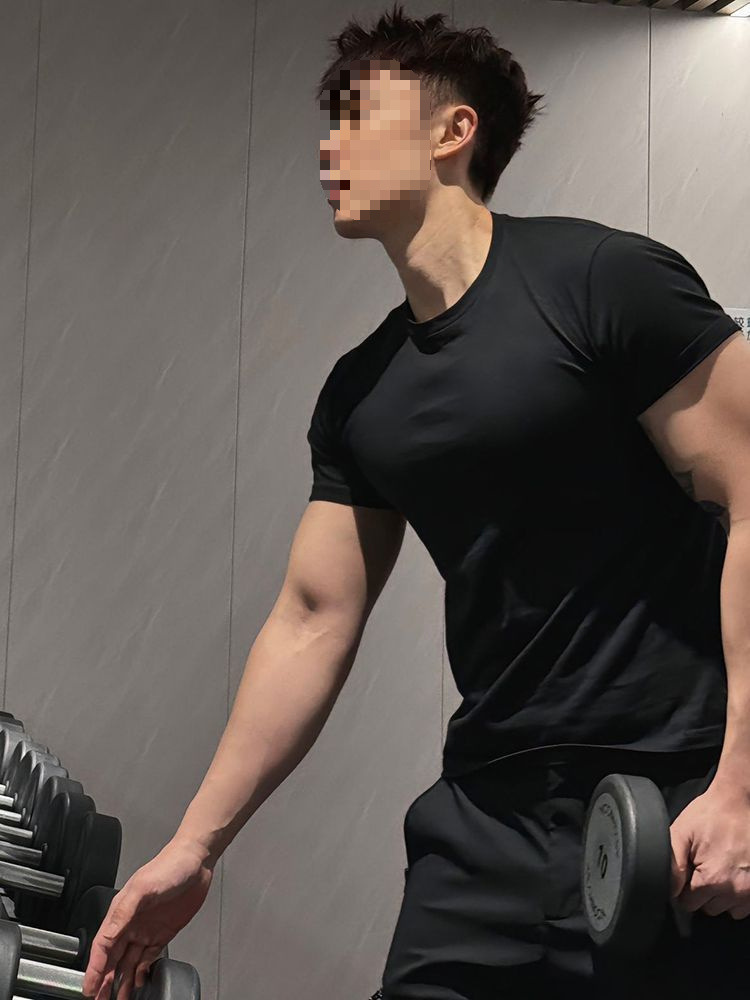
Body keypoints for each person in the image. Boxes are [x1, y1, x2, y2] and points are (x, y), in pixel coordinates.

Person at [82, 5, 746, 1000]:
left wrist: (742, 785)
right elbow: (311, 621)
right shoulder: (363, 393)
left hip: (677, 802)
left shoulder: (604, 282)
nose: (327, 144)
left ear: (452, 131)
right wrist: (195, 844)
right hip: (484, 824)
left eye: (356, 115)